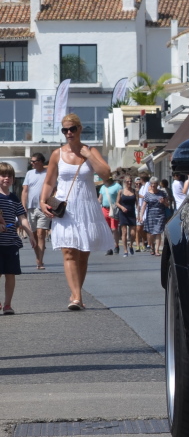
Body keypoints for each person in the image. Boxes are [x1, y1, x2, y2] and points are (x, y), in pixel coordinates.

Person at [39, 114, 113, 310]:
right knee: (69, 251)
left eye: (72, 129)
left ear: (80, 129)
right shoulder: (57, 154)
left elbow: (106, 175)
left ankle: (75, 292)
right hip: (66, 208)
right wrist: (42, 201)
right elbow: (49, 181)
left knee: (83, 254)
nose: (69, 133)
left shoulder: (91, 151)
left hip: (87, 207)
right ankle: (77, 298)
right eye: (65, 130)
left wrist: (88, 156)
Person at [0, 162, 33, 315]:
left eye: (9, 176)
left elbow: (22, 218)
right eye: (3, 175)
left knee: (10, 273)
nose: (6, 178)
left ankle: (7, 304)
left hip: (11, 242)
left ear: (13, 179)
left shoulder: (14, 198)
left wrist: (31, 234)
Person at [20, 152, 49, 270]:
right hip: (31, 208)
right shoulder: (29, 173)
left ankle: (40, 261)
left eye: (34, 161)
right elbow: (25, 191)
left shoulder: (48, 173)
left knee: (41, 233)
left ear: (41, 162)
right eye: (31, 161)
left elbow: (55, 189)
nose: (31, 163)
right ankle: (38, 256)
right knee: (34, 235)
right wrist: (23, 206)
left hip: (43, 207)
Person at [141, 177, 167, 255]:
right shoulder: (147, 194)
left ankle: (157, 250)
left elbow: (167, 204)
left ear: (157, 184)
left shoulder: (162, 193)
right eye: (152, 184)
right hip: (150, 215)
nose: (153, 186)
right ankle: (152, 246)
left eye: (155, 184)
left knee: (158, 232)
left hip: (160, 214)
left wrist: (163, 202)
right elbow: (144, 206)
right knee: (152, 233)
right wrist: (141, 216)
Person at [99, 172, 122, 255]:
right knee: (107, 229)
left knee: (114, 229)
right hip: (104, 209)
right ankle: (109, 247)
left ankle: (116, 246)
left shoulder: (117, 186)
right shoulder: (103, 187)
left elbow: (121, 198)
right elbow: (100, 199)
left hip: (114, 209)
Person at [116, 175, 138, 256]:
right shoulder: (121, 191)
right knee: (124, 232)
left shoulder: (134, 191)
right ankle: (125, 251)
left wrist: (139, 214)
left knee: (133, 233)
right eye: (128, 181)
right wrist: (122, 207)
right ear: (125, 182)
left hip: (132, 213)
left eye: (130, 181)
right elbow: (117, 203)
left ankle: (131, 245)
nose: (129, 183)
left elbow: (137, 203)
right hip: (123, 213)